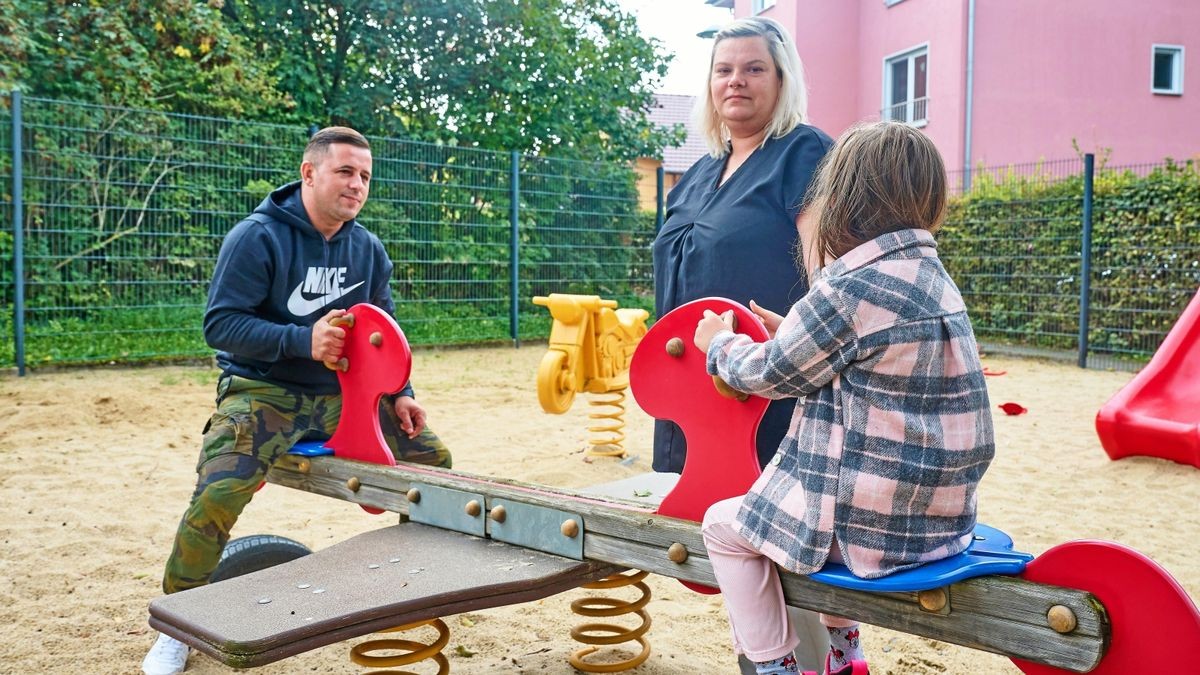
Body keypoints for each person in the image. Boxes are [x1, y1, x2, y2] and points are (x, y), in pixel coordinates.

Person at [141, 127, 452, 675]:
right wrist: (301, 340)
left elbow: (383, 333)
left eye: (365, 177)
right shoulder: (257, 237)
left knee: (433, 463)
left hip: (343, 396)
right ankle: (176, 625)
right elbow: (221, 325)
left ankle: (408, 584)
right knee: (218, 491)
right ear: (309, 173)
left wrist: (400, 394)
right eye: (345, 172)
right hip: (263, 392)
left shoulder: (367, 248)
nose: (357, 185)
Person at [693, 121, 996, 675]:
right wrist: (798, 329)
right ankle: (845, 656)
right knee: (811, 495)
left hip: (867, 532)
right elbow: (871, 356)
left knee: (723, 527)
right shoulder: (932, 279)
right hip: (942, 523)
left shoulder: (846, 287)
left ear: (841, 200)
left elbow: (770, 373)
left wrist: (721, 345)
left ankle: (775, 665)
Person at [650, 16, 835, 673]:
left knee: (783, 538)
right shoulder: (700, 172)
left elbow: (829, 270)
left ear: (781, 79)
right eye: (724, 69)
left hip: (772, 385)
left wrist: (804, 331)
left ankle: (814, 663)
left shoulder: (805, 153)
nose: (737, 81)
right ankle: (770, 659)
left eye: (754, 68)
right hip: (701, 393)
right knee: (734, 534)